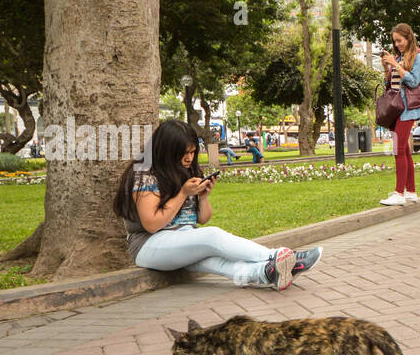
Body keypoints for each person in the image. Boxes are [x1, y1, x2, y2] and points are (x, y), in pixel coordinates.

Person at [112, 119, 320, 291]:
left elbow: (201, 219)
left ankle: (267, 273)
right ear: (166, 150)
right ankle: (280, 256)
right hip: (149, 245)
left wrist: (202, 196)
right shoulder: (144, 175)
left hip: (182, 237)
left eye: (193, 152)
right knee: (212, 237)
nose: (189, 158)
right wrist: (183, 193)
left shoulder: (187, 171)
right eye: (184, 153)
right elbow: (151, 224)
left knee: (213, 260)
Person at [379, 23, 420, 206]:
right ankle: (411, 192)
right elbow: (390, 85)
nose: (397, 44)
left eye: (400, 40)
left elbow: (414, 82)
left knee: (398, 149)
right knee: (404, 150)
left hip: (408, 108)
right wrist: (386, 68)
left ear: (409, 37)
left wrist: (395, 65)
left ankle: (399, 193)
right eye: (395, 41)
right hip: (395, 108)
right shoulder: (398, 57)